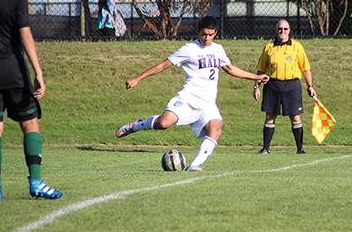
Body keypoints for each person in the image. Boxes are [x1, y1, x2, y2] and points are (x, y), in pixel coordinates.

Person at [115, 16, 269, 171]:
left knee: (216, 129)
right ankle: (137, 125)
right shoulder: (189, 49)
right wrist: (138, 78)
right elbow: (163, 65)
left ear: (215, 33)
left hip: (207, 104)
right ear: (198, 31)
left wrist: (256, 77)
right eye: (203, 34)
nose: (206, 38)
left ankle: (195, 164)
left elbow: (230, 69)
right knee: (163, 124)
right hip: (187, 99)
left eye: (210, 34)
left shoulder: (218, 49)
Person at [0, 0, 63, 200]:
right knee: (30, 124)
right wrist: (38, 72)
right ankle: (36, 183)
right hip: (13, 73)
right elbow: (26, 36)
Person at [253, 19, 316, 154]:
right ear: (276, 31)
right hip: (272, 84)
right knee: (270, 116)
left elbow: (305, 68)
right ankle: (265, 149)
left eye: (285, 29)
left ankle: (300, 148)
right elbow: (261, 69)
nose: (282, 31)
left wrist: (310, 86)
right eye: (280, 29)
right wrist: (256, 87)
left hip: (292, 85)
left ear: (289, 30)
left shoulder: (296, 46)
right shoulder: (269, 47)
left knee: (295, 116)